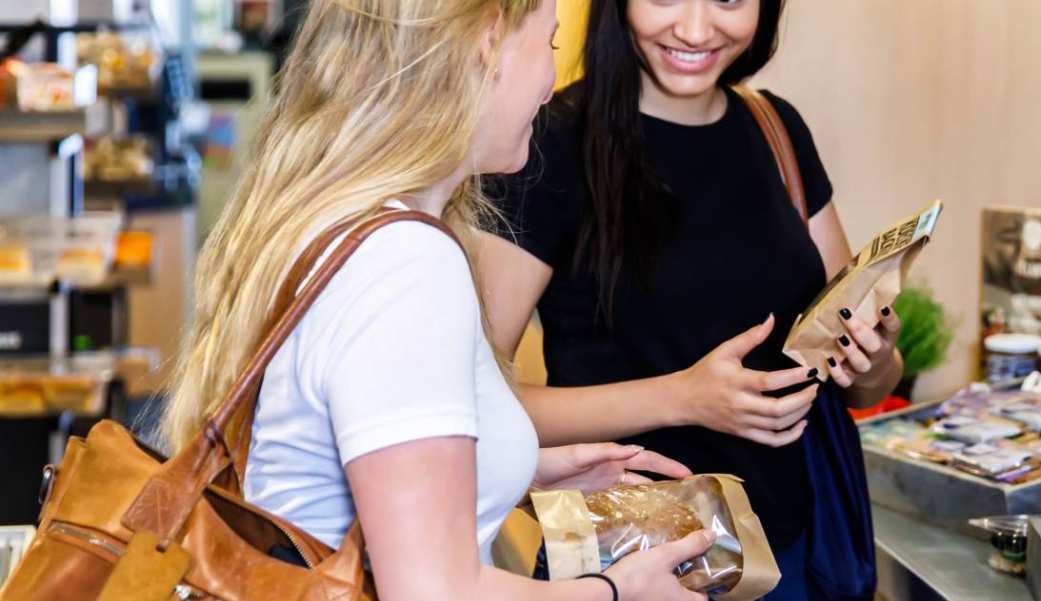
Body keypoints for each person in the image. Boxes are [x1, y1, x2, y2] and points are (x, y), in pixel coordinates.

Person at [156, 0, 712, 598]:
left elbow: (343, 458)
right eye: (548, 46)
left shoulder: (340, 222)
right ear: (487, 42)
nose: (552, 88)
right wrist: (617, 591)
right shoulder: (405, 264)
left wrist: (514, 467)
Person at [478, 0, 893, 598]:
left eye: (727, 0)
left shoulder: (775, 129)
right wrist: (682, 398)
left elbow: (861, 378)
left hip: (792, 554)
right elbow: (477, 401)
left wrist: (874, 359)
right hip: (633, 563)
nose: (696, 30)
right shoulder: (548, 141)